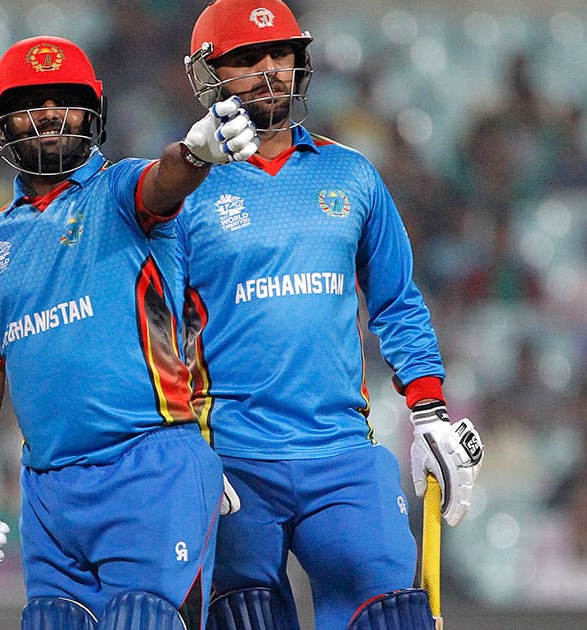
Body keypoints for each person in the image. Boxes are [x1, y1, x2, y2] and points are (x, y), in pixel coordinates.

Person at [0, 35, 259, 630]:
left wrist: (196, 153)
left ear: (93, 113)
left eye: (65, 100)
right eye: (32, 102)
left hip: (150, 468)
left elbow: (165, 181)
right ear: (0, 121)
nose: (50, 114)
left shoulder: (122, 191)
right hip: (50, 492)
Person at [177, 1, 485, 629]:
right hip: (233, 459)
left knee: (395, 617)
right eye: (247, 58)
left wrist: (429, 411)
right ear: (208, 74)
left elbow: (397, 301)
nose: (270, 70)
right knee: (245, 617)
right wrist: (179, 444)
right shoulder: (178, 193)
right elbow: (146, 333)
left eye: (282, 54)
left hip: (342, 454)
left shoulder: (353, 174)